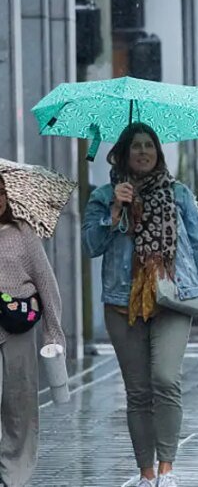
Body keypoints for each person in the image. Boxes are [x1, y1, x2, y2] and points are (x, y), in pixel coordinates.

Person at [82, 123, 198, 487]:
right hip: (122, 303)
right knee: (138, 391)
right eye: (135, 146)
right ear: (121, 154)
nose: (142, 152)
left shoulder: (179, 194)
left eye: (148, 146)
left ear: (158, 152)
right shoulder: (104, 196)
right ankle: (146, 472)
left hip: (172, 297)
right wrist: (115, 213)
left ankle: (167, 469)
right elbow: (91, 246)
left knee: (165, 379)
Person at [0, 176, 65, 487]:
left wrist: (54, 334)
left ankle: (13, 475)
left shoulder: (23, 232)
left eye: (1, 191)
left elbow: (47, 285)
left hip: (17, 329)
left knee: (19, 405)